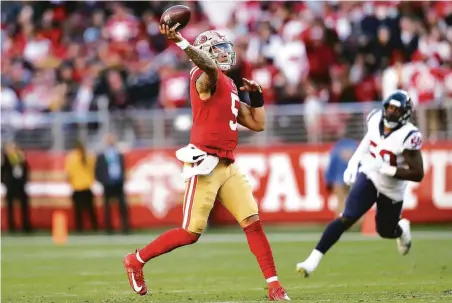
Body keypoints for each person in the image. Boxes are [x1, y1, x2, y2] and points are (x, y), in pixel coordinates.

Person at [123, 25, 290, 301]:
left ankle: (274, 286)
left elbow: (257, 123)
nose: (226, 54)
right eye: (219, 49)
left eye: (226, 48)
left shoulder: (231, 84)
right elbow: (210, 70)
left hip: (228, 164)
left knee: (253, 222)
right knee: (190, 233)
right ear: (205, 53)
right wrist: (183, 43)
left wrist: (257, 97)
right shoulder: (202, 76)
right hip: (205, 163)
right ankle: (136, 260)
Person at [296, 90, 424, 277]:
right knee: (347, 216)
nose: (390, 112)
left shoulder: (408, 135)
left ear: (405, 113)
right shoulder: (375, 119)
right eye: (388, 107)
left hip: (392, 187)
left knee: (385, 231)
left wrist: (387, 169)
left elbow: (417, 173)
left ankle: (401, 229)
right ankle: (312, 260)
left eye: (396, 110)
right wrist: (353, 162)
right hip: (370, 175)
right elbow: (368, 139)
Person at [95, 133, 129, 234]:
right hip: (108, 183)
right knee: (107, 208)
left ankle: (125, 228)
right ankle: (108, 228)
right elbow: (97, 170)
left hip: (118, 182)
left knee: (122, 206)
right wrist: (103, 181)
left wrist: (122, 179)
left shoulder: (118, 154)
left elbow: (122, 167)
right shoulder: (102, 155)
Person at [65, 140, 98, 233]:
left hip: (77, 187)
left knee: (78, 211)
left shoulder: (71, 157)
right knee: (91, 210)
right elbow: (93, 168)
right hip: (87, 187)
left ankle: (80, 229)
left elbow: (69, 173)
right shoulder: (89, 156)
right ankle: (95, 227)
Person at [1, 142, 32, 233]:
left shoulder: (20, 158)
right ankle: (11, 226)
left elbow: (26, 169)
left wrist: (25, 180)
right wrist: (5, 182)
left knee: (24, 205)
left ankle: (26, 225)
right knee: (10, 207)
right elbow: (3, 170)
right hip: (11, 185)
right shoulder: (6, 158)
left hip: (20, 185)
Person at [324, 136, 358, 217]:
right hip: (354, 179)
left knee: (340, 202)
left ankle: (340, 221)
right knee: (356, 201)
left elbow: (331, 165)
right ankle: (359, 221)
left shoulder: (336, 148)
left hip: (339, 180)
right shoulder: (356, 147)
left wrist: (328, 181)